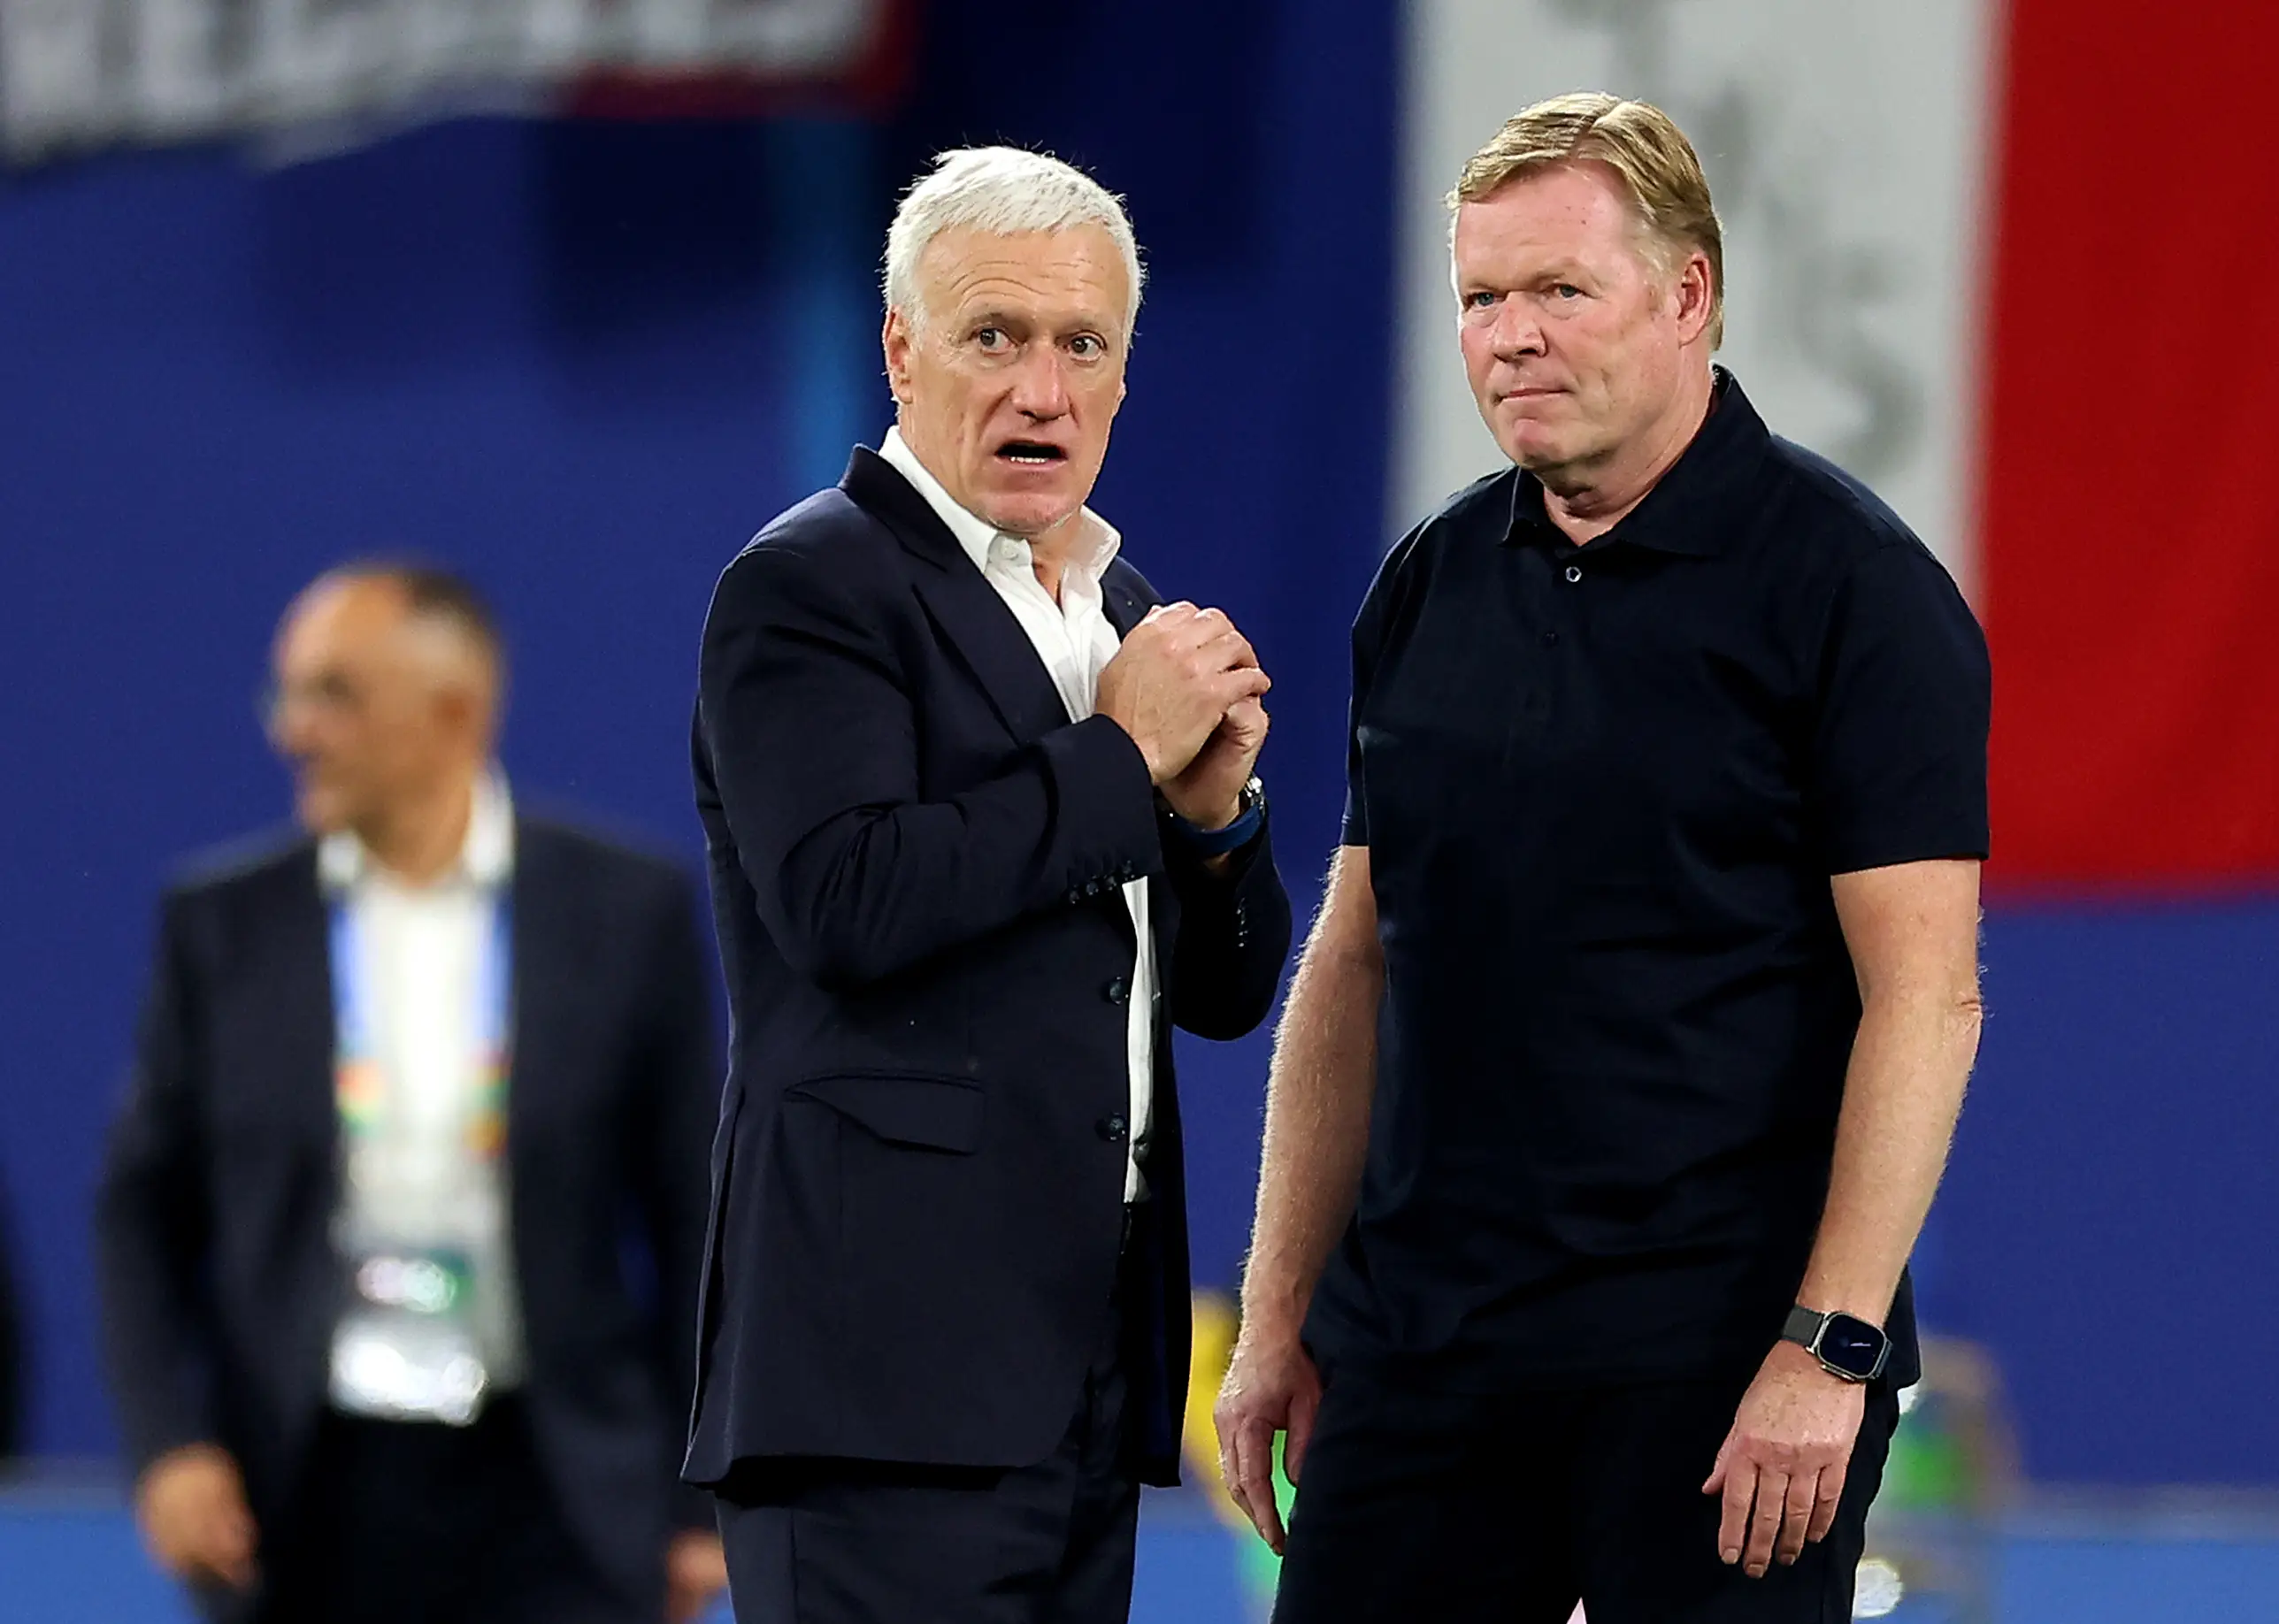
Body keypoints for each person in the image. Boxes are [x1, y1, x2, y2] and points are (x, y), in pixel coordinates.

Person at [1214, 92, 1991, 1623]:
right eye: (1480, 299)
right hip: (1421, 1364)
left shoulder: (1853, 594)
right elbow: (1356, 959)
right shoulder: (1429, 582)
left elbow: (1927, 1001)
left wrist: (1825, 1348)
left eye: (1557, 291)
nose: (1510, 336)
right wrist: (1276, 1313)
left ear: (1687, 293)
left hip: (1716, 1385)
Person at [684, 145, 1293, 1624]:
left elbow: (1215, 998)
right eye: (993, 338)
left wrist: (1211, 823)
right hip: (878, 1395)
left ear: (1124, 376)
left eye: (1080, 344)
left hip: (1077, 1378)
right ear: (900, 351)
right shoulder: (810, 587)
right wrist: (1120, 753)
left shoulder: (1117, 610)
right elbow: (844, 900)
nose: (1042, 389)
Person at [96, 565, 728, 1624]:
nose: (293, 732)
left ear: (456, 711)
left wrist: (701, 1493)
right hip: (304, 1500)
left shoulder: (626, 913)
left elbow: (701, 1213)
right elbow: (139, 1212)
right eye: (287, 695)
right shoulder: (223, 927)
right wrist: (168, 1445)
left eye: (333, 695)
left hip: (560, 1498)